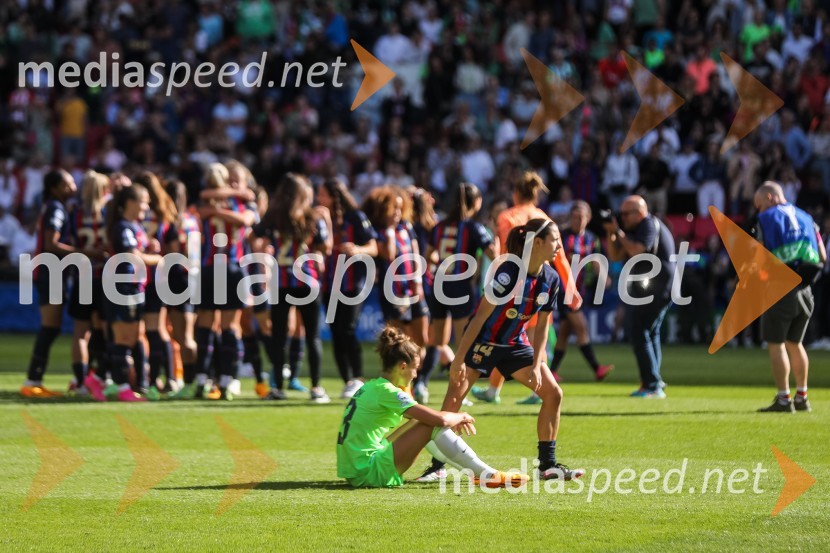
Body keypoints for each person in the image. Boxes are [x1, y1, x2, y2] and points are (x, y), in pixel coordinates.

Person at [418, 219, 585, 482]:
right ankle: (436, 466)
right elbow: (480, 316)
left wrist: (538, 362)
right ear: (538, 242)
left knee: (553, 394)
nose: (559, 247)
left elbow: (542, 325)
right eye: (556, 241)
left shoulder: (551, 278)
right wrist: (459, 359)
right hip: (484, 342)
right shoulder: (507, 271)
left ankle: (547, 466)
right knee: (452, 402)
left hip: (516, 345)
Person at [336, 326, 524, 488]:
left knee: (424, 421)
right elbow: (440, 420)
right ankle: (487, 475)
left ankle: (471, 472)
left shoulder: (372, 386)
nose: (416, 374)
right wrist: (462, 416)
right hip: (369, 471)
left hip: (356, 469)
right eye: (415, 368)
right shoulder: (387, 392)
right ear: (402, 367)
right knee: (431, 423)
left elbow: (421, 417)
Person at [471, 171, 579, 405]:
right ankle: (530, 388)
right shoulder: (544, 219)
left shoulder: (507, 216)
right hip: (541, 284)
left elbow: (504, 255)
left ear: (516, 193)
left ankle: (494, 389)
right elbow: (559, 257)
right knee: (536, 336)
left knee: (505, 336)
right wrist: (571, 288)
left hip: (514, 288)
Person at [251, 173, 332, 403]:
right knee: (312, 337)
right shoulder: (312, 217)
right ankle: (316, 388)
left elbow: (253, 237)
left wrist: (265, 253)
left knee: (279, 337)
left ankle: (277, 388)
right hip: (307, 282)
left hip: (282, 283)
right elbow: (324, 248)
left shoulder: (273, 217)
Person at [417, 183, 496, 403]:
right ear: (476, 203)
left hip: (439, 286)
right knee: (464, 344)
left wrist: (444, 261)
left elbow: (428, 255)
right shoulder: (473, 227)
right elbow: (492, 253)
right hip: (461, 288)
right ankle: (459, 392)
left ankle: (421, 384)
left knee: (437, 340)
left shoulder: (440, 226)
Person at [754, 182, 827, 412]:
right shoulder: (806, 216)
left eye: (760, 205)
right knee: (796, 344)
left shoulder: (766, 219)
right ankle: (802, 397)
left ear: (770, 197)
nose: (759, 210)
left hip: (779, 288)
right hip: (805, 289)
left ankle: (783, 399)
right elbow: (823, 255)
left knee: (776, 345)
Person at [85, 184, 161, 402]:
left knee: (131, 336)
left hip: (135, 285)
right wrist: (160, 259)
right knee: (123, 338)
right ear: (130, 203)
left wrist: (151, 249)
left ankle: (98, 378)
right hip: (123, 285)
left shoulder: (134, 226)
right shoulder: (122, 227)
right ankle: (121, 387)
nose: (147, 207)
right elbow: (132, 255)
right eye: (144, 201)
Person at [22, 170, 88, 398]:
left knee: (52, 328)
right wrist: (84, 253)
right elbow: (51, 244)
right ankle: (33, 380)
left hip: (53, 272)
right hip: (51, 271)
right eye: (67, 183)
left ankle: (34, 379)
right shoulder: (55, 209)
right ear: (55, 188)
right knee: (49, 328)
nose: (73, 186)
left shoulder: (57, 207)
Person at [195, 163, 256, 400]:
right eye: (229, 179)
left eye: (236, 181)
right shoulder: (234, 202)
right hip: (221, 267)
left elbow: (244, 220)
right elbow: (242, 219)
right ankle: (216, 379)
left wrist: (215, 212)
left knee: (218, 325)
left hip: (222, 267)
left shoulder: (213, 205)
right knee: (218, 325)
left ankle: (215, 379)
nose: (232, 184)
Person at [605, 195, 676, 398]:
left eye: (626, 214)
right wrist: (612, 234)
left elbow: (637, 250)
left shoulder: (647, 224)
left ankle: (652, 384)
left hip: (657, 285)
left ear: (640, 212)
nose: (623, 217)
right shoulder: (637, 228)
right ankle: (652, 382)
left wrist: (618, 232)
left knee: (637, 330)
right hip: (657, 285)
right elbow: (616, 255)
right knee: (649, 332)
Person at [317, 177, 378, 399]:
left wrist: (358, 249)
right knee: (335, 332)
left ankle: (358, 378)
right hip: (328, 285)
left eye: (322, 193)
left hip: (353, 283)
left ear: (334, 197)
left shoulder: (356, 218)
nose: (318, 198)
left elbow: (374, 247)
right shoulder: (322, 219)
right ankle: (347, 381)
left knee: (348, 329)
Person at [551, 201, 614, 381]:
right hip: (564, 291)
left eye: (582, 217)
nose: (578, 220)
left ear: (588, 218)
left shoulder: (591, 238)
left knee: (564, 332)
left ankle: (552, 371)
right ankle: (597, 368)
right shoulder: (561, 236)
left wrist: (603, 275)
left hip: (580, 291)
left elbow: (595, 261)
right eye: (575, 216)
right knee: (582, 327)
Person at [135, 171, 179, 398]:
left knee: (139, 331)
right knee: (158, 330)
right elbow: (174, 251)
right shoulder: (164, 215)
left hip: (135, 278)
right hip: (159, 278)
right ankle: (168, 377)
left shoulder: (134, 214)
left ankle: (148, 380)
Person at [67, 170, 110, 396]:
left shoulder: (75, 214)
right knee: (104, 330)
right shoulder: (109, 213)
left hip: (83, 277)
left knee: (80, 333)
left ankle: (81, 380)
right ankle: (102, 376)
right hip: (107, 278)